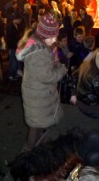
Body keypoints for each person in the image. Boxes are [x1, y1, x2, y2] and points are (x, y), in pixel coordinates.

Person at [16, 13, 67, 151]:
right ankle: (27, 151)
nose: (54, 39)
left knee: (38, 122)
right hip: (37, 94)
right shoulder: (38, 53)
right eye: (52, 37)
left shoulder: (39, 45)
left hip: (37, 91)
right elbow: (47, 76)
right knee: (36, 124)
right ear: (43, 36)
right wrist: (62, 70)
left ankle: (37, 142)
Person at [5, 13, 25, 80]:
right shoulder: (10, 26)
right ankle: (11, 74)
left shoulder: (16, 25)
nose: (20, 21)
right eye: (19, 19)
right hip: (13, 46)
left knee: (15, 60)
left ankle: (16, 72)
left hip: (15, 45)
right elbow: (10, 38)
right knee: (13, 61)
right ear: (15, 19)